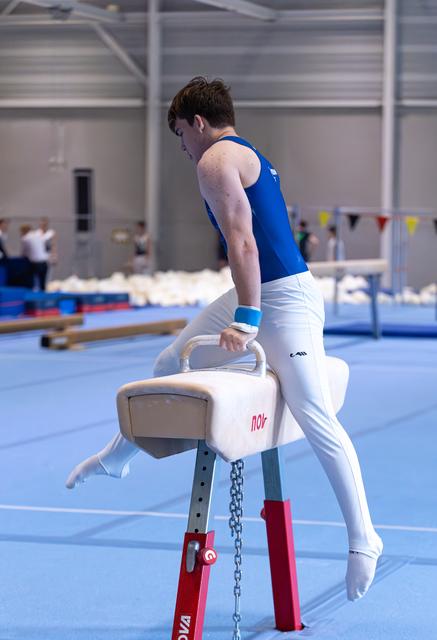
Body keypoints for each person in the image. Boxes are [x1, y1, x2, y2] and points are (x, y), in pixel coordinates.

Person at [66, 77, 382, 601]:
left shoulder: (215, 160)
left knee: (316, 415)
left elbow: (243, 241)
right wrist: (242, 306)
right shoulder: (247, 152)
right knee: (172, 358)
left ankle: (363, 538)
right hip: (258, 291)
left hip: (283, 299)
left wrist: (249, 320)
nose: (183, 149)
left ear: (197, 122)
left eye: (180, 136)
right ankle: (118, 456)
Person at [20, 223, 49, 291]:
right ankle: (42, 297)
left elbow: (24, 252)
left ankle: (32, 295)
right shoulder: (38, 235)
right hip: (44, 262)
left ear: (24, 231)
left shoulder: (25, 238)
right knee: (42, 285)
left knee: (31, 282)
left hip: (35, 264)